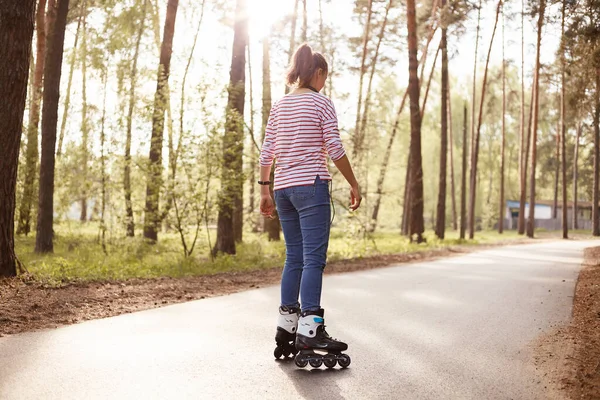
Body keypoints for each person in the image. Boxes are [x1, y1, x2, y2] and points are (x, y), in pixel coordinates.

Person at [258, 43, 361, 368]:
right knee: (314, 260)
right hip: (311, 187)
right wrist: (353, 182)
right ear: (318, 73)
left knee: (295, 258)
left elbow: (267, 151)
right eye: (324, 78)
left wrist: (264, 190)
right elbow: (333, 145)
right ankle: (311, 330)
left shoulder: (280, 105)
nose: (324, 85)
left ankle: (287, 326)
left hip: (283, 189)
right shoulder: (321, 103)